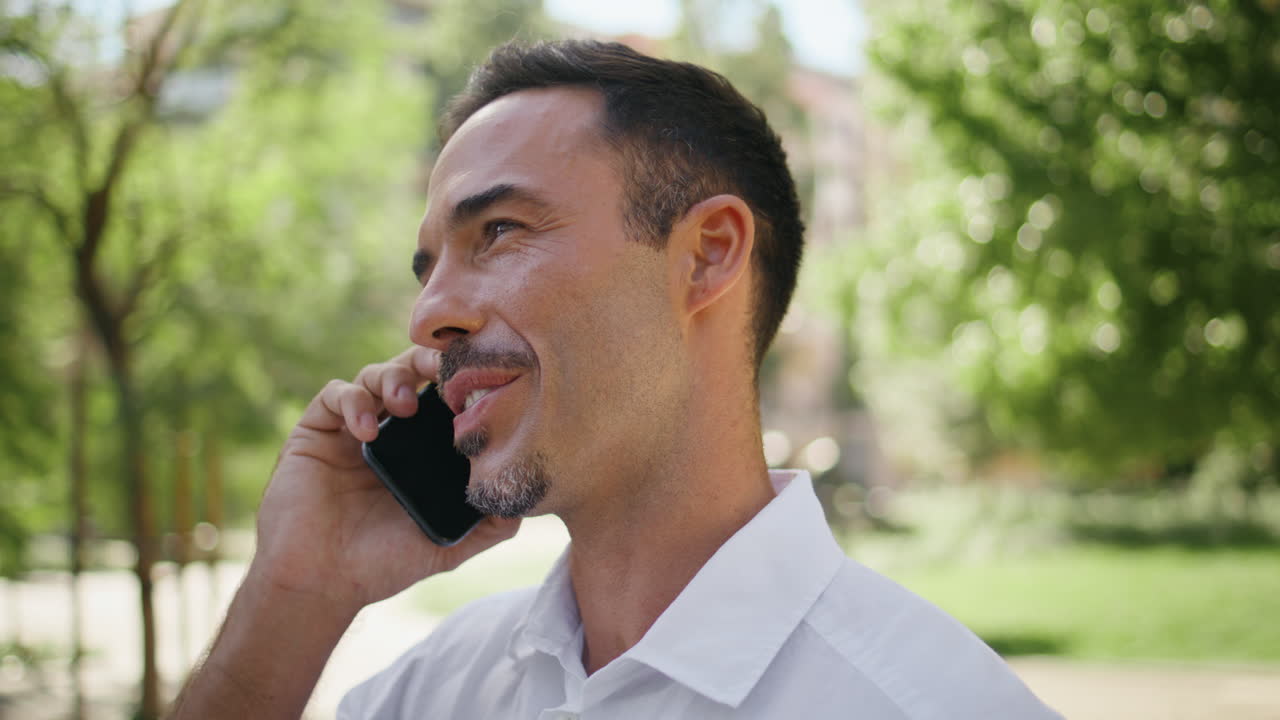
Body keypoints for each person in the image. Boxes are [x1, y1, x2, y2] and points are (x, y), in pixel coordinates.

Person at [170, 40, 1060, 719]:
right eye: (427, 267)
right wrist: (292, 596)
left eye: (501, 232)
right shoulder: (431, 693)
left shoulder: (926, 701)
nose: (428, 318)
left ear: (707, 256)